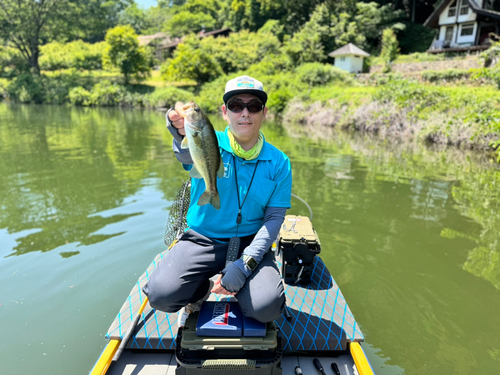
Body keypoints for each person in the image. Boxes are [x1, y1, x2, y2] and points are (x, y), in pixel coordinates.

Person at [142, 75, 292, 325]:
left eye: (253, 106)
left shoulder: (279, 162)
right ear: (225, 112)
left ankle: (245, 291)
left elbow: (274, 218)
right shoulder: (209, 138)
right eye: (236, 105)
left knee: (266, 308)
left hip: (250, 241)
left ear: (263, 113)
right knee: (160, 296)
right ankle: (199, 290)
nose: (245, 113)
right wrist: (179, 132)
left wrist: (245, 265)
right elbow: (185, 153)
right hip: (202, 239)